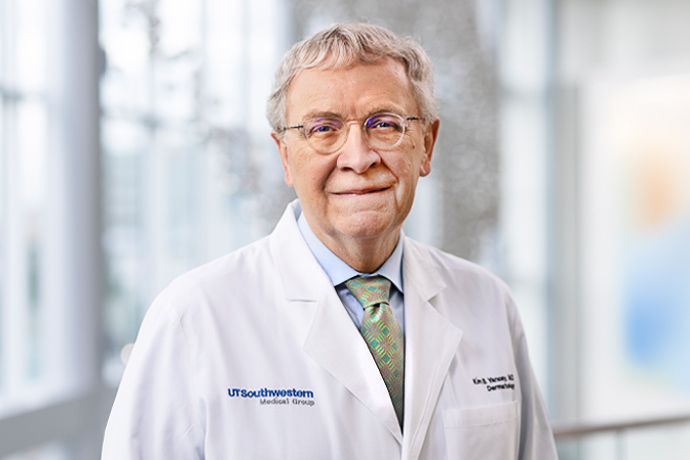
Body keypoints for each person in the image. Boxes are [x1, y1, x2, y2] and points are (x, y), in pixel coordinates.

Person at [101, 22, 558, 459]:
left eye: (385, 124)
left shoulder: (489, 304)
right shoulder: (191, 319)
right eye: (323, 129)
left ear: (426, 144)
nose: (358, 158)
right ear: (285, 155)